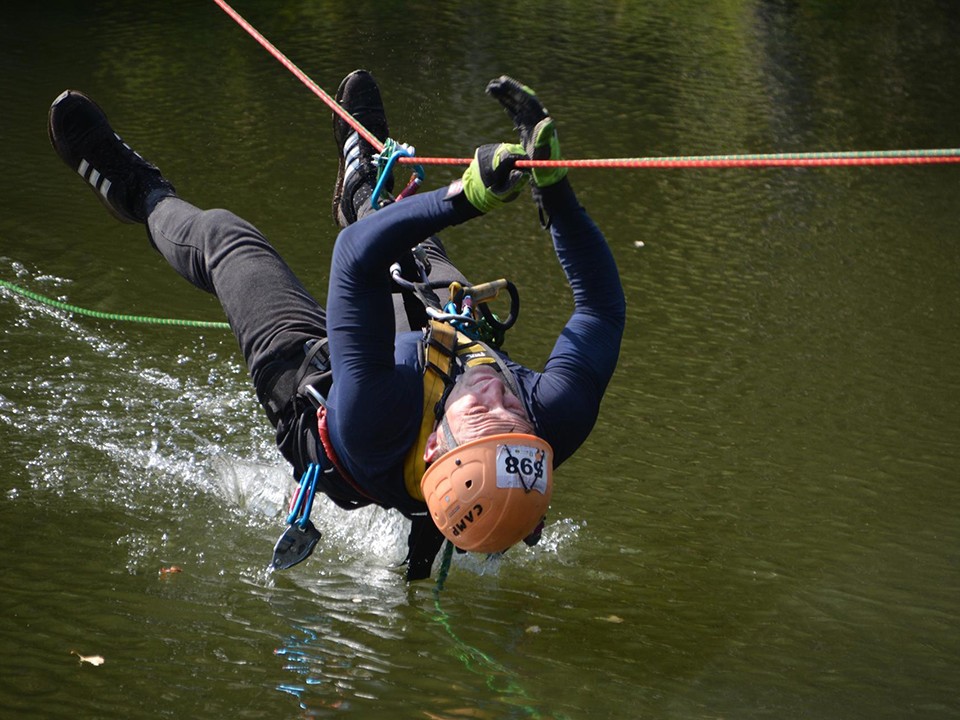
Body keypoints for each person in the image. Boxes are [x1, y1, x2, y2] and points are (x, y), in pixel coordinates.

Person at [47, 70, 625, 580]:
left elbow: (355, 259)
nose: (500, 396)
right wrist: (554, 189)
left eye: (482, 418)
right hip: (432, 355)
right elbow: (600, 307)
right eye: (516, 420)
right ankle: (360, 184)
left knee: (228, 241)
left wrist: (468, 196)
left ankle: (135, 189)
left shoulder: (378, 414)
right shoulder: (550, 423)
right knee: (407, 239)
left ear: (434, 449)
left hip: (313, 391)